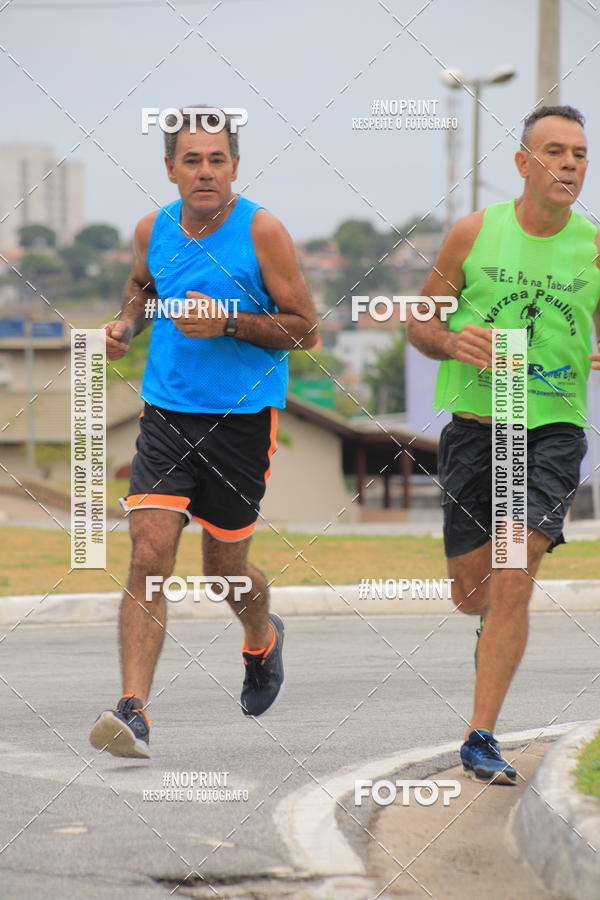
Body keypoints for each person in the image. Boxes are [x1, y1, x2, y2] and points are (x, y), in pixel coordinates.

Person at [90, 105, 318, 759]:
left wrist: (229, 324)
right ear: (170, 169)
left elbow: (307, 328)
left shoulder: (263, 232)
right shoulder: (152, 228)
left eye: (217, 159)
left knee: (225, 572)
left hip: (242, 424)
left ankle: (260, 637)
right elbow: (141, 285)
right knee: (150, 552)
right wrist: (124, 328)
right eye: (192, 160)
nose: (205, 171)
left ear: (235, 166)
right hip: (165, 414)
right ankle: (133, 710)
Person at [408, 105, 600, 783]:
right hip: (475, 430)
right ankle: (488, 635)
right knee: (473, 594)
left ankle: (480, 734)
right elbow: (419, 321)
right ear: (524, 163)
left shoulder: (594, 247)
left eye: (580, 152)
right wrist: (450, 338)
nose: (571, 163)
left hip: (549, 431)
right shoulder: (474, 234)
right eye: (556, 150)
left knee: (516, 573)